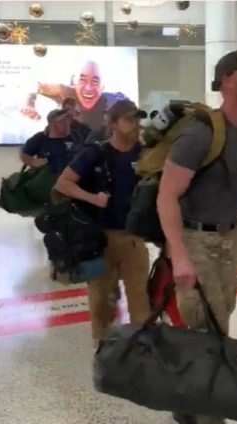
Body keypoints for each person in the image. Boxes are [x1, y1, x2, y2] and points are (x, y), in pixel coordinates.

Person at [156, 50, 237, 424]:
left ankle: (183, 403)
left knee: (213, 320)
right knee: (211, 331)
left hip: (229, 239)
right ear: (228, 81)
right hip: (194, 238)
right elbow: (166, 196)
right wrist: (178, 253)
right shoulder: (200, 134)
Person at [54, 99, 151, 342]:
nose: (135, 125)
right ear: (113, 124)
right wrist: (92, 198)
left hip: (134, 237)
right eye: (129, 119)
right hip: (99, 240)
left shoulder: (146, 154)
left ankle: (140, 353)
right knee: (101, 302)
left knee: (141, 302)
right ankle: (104, 349)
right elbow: (63, 184)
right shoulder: (95, 153)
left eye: (137, 119)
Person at [20, 108, 75, 176]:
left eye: (68, 121)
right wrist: (33, 162)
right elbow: (24, 153)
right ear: (53, 124)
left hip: (68, 181)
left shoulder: (74, 138)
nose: (67, 124)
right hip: (47, 181)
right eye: (63, 121)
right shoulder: (40, 138)